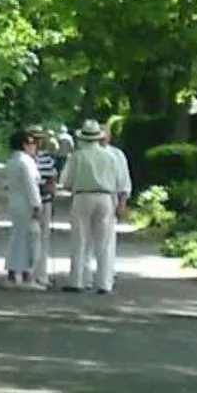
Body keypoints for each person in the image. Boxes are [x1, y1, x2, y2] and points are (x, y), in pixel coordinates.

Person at [60, 117, 132, 294]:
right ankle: (104, 282)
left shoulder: (77, 156)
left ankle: (77, 280)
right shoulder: (110, 156)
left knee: (80, 239)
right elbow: (120, 181)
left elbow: (66, 181)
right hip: (106, 197)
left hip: (82, 196)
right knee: (105, 241)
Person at [0, 127, 45, 287]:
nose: (34, 146)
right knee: (31, 240)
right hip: (27, 206)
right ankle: (27, 275)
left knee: (18, 239)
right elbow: (30, 185)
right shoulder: (26, 162)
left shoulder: (12, 161)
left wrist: (8, 187)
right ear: (24, 145)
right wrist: (36, 205)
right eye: (31, 143)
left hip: (15, 204)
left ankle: (13, 275)